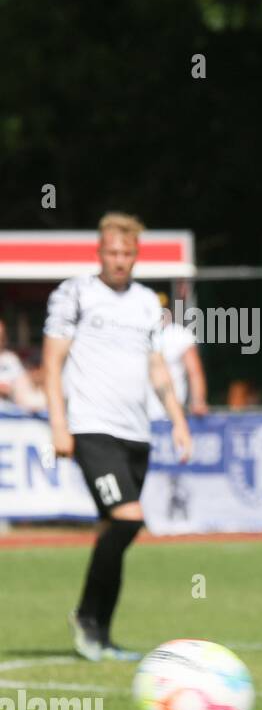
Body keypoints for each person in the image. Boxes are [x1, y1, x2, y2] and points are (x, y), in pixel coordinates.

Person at [42, 213, 194, 661]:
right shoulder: (75, 293)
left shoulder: (148, 302)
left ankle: (99, 634)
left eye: (127, 254)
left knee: (113, 530)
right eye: (112, 253)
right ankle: (88, 616)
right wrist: (58, 423)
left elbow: (157, 366)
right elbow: (52, 363)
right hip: (92, 427)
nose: (119, 260)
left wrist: (178, 420)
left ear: (136, 256)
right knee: (128, 519)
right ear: (99, 252)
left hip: (136, 432)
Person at [145, 295, 209, 423]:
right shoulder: (136, 334)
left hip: (171, 416)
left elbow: (194, 372)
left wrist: (198, 401)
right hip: (138, 416)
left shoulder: (181, 335)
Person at [0, 317, 47, 412]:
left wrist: (36, 377)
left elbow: (23, 382)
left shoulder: (10, 359)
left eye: (2, 336)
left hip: (13, 412)